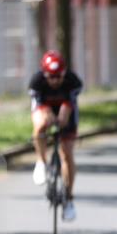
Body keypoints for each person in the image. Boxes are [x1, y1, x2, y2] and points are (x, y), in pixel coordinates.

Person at [29, 50, 82, 222]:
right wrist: (47, 114)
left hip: (66, 110)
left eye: (58, 76)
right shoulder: (36, 82)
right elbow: (37, 106)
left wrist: (63, 117)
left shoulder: (73, 81)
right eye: (50, 77)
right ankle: (41, 162)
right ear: (44, 75)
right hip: (45, 108)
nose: (54, 81)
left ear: (64, 73)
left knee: (67, 154)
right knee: (39, 126)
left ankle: (69, 198)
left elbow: (69, 106)